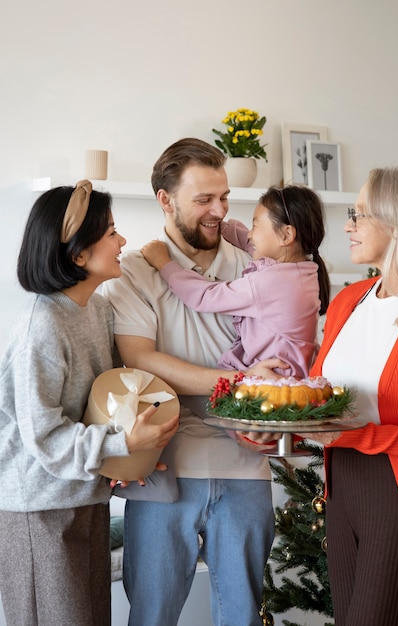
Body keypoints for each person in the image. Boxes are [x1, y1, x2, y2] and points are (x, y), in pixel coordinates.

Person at [101, 138, 283, 626]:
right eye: (204, 199)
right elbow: (144, 361)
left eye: (223, 197)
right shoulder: (134, 273)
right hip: (164, 470)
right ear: (166, 199)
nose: (218, 210)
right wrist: (238, 381)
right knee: (152, 616)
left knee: (241, 616)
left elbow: (279, 361)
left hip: (245, 469)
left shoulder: (254, 267)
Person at [0, 180, 179, 626]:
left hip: (84, 497)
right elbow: (44, 435)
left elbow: (108, 402)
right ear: (78, 254)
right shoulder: (40, 329)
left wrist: (132, 455)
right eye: (112, 232)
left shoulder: (97, 310)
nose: (122, 242)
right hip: (38, 510)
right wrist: (119, 445)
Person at [309, 166, 398, 625]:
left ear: (397, 222)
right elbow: (320, 395)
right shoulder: (347, 300)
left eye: (359, 215)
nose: (347, 226)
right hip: (342, 486)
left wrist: (363, 435)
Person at [141, 184, 330, 378]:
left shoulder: (271, 283)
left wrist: (164, 263)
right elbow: (257, 246)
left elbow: (206, 296)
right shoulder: (301, 271)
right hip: (295, 376)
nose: (250, 233)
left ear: (286, 235)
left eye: (255, 225)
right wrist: (218, 226)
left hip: (273, 386)